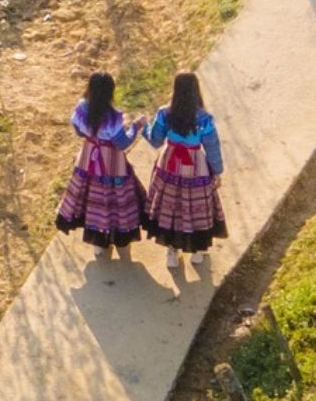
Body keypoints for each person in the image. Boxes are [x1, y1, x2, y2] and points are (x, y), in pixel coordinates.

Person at [141, 71, 227, 265]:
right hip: (195, 165)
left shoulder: (164, 113)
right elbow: (212, 146)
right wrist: (217, 171)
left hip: (169, 163)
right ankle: (197, 251)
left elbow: (155, 140)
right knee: (195, 206)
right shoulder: (204, 118)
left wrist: (144, 127)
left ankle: (172, 252)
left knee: (170, 206)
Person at [54, 71, 144, 258]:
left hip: (89, 158)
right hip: (112, 162)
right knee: (116, 198)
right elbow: (122, 143)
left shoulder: (81, 109)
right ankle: (120, 238)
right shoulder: (114, 118)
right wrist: (135, 127)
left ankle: (98, 242)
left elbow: (79, 132)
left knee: (91, 197)